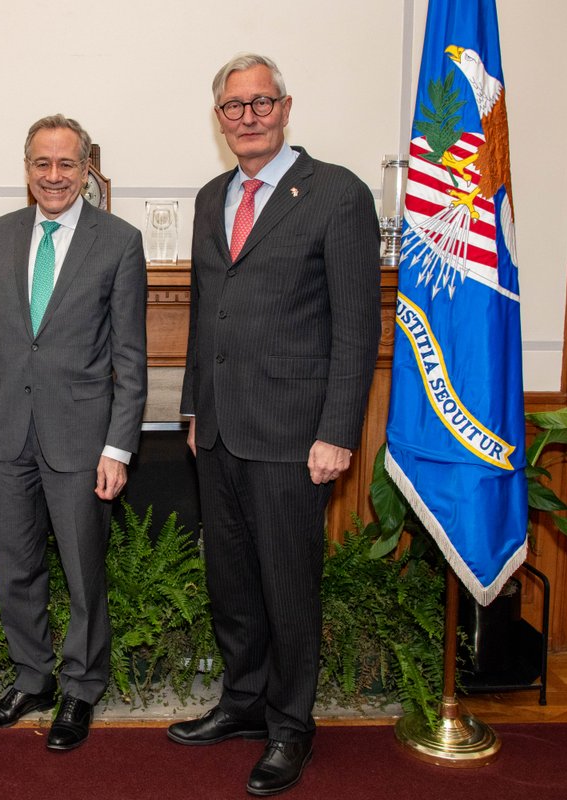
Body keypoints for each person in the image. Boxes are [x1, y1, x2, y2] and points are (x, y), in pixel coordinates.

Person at [170, 54, 381, 796]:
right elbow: (207, 314)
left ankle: (291, 726)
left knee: (289, 586)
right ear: (219, 117)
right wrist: (194, 409)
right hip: (220, 430)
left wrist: (339, 431)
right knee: (231, 582)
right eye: (233, 106)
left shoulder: (337, 194)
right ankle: (243, 702)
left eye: (261, 103)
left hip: (297, 435)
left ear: (286, 108)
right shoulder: (209, 197)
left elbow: (357, 327)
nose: (247, 116)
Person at [0, 114, 147, 751]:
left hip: (82, 439)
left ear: (85, 169)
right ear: (27, 167)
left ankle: (81, 687)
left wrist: (118, 447)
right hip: (8, 433)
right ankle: (31, 678)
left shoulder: (119, 241)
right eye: (41, 164)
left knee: (81, 570)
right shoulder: (1, 234)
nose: (53, 176)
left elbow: (131, 356)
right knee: (16, 566)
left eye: (66, 164)